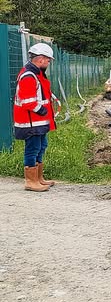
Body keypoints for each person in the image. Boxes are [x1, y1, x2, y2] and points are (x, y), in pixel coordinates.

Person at [13, 43, 58, 192]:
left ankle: (38, 178)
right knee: (33, 149)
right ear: (40, 60)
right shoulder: (29, 76)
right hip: (30, 122)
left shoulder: (36, 74)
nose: (49, 63)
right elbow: (27, 101)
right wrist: (43, 111)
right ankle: (31, 181)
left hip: (37, 122)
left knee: (41, 146)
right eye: (48, 60)